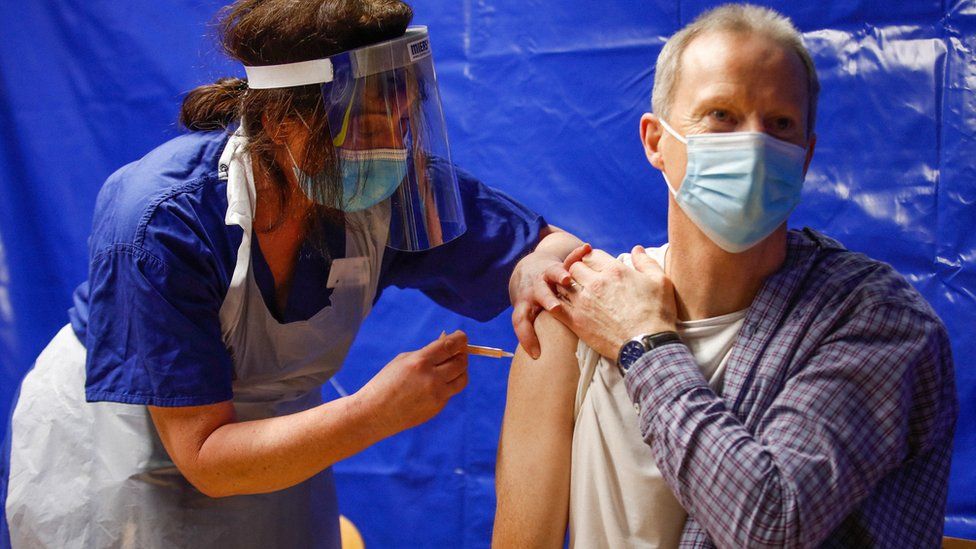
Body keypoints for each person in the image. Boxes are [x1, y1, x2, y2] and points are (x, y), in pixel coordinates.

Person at [0, 1, 581, 547]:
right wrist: (377, 411)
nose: (394, 150)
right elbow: (205, 456)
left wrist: (538, 265)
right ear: (282, 120)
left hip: (272, 440)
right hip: (126, 452)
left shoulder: (387, 191)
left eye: (404, 124)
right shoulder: (161, 221)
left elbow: (550, 247)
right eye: (369, 126)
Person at [493, 4, 957, 548]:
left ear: (806, 155)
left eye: (780, 124)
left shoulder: (878, 323)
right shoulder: (575, 310)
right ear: (655, 141)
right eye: (721, 115)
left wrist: (644, 344)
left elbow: (771, 527)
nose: (754, 146)